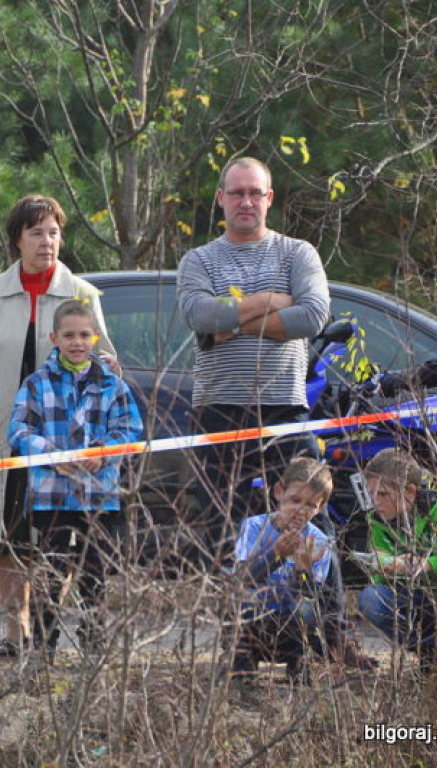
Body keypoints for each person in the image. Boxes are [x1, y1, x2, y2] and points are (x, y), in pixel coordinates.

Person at [0, 194, 118, 658]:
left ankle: (47, 631)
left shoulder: (81, 293)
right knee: (5, 535)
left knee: (56, 537)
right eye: (36, 233)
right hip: (1, 437)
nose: (47, 242)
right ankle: (14, 633)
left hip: (61, 444)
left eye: (54, 232)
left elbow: (106, 361)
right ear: (17, 240)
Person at [176, 156, 330, 565]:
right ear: (221, 198)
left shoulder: (297, 253)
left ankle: (325, 620)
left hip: (283, 407)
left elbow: (313, 315)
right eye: (237, 193)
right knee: (219, 528)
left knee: (310, 513)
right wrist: (269, 301)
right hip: (218, 410)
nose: (246, 201)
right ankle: (232, 623)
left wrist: (236, 325)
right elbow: (201, 317)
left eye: (254, 193)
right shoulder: (199, 260)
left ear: (269, 198)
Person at [7, 300, 142, 661]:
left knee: (94, 575)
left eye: (84, 335)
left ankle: (94, 643)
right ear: (54, 338)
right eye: (69, 335)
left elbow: (130, 430)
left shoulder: (114, 386)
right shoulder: (35, 384)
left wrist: (104, 452)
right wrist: (51, 455)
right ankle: (43, 646)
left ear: (96, 338)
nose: (77, 342)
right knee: (50, 573)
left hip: (99, 496)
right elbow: (18, 431)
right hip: (51, 496)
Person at [224, 457, 334, 688]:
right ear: (278, 493)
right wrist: (276, 555)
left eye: (310, 505)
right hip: (255, 617)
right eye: (295, 500)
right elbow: (242, 577)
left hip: (289, 626)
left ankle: (300, 668)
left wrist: (303, 569)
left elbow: (312, 599)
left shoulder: (320, 541)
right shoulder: (253, 526)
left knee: (307, 609)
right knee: (237, 599)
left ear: (321, 507)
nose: (300, 510)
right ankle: (241, 668)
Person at [357, 448, 437, 681]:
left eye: (383, 494)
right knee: (371, 598)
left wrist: (429, 563)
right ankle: (432, 656)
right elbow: (379, 572)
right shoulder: (377, 519)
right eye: (371, 494)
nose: (376, 502)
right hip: (420, 599)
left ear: (410, 492)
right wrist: (386, 568)